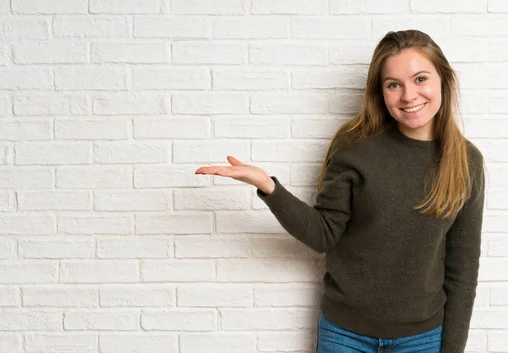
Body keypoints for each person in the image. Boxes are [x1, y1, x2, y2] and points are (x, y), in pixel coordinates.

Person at [196, 29, 486, 353]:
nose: (408, 95)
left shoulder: (466, 162)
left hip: (422, 339)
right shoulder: (355, 146)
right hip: (345, 336)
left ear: (443, 79)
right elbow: (323, 235)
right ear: (380, 91)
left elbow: (463, 270)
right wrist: (269, 187)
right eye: (394, 84)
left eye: (420, 79)